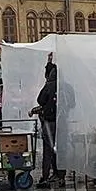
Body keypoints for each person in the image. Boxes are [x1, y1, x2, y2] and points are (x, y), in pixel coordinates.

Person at [32, 54, 61, 183]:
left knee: (48, 150)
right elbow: (72, 103)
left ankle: (45, 176)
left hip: (49, 122)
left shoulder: (48, 86)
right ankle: (60, 176)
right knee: (60, 149)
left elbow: (40, 100)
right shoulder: (65, 86)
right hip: (62, 123)